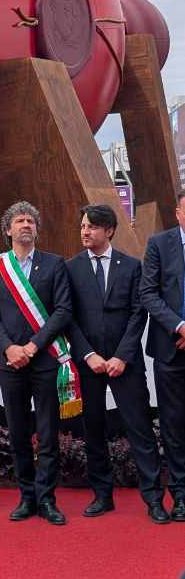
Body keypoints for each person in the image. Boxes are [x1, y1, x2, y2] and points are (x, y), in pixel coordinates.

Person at [67, 204, 168, 523]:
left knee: (140, 430)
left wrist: (122, 356)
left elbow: (139, 313)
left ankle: (154, 499)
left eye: (92, 227)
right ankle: (102, 496)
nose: (85, 232)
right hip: (89, 364)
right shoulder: (70, 268)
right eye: (82, 226)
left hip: (127, 364)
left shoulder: (132, 266)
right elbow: (68, 316)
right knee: (93, 430)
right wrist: (89, 355)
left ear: (109, 230)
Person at [0, 200, 73, 525]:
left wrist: (33, 346)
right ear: (8, 230)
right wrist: (9, 347)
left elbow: (63, 310)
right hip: (11, 364)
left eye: (30, 221)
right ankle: (27, 497)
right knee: (18, 433)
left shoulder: (54, 264)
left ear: (36, 229)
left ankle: (47, 499)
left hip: (45, 360)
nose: (25, 225)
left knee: (47, 434)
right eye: (19, 220)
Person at [139, 191, 185, 522]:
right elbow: (148, 293)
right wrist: (180, 327)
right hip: (170, 351)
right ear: (178, 213)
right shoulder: (159, 244)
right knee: (173, 424)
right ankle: (181, 494)